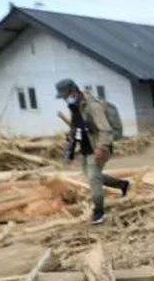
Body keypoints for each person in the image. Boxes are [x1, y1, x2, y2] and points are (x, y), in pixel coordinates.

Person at [56, 78, 130, 224]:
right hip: (85, 147)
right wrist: (71, 135)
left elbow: (105, 129)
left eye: (66, 96)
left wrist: (101, 148)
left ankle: (99, 212)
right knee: (91, 176)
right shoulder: (75, 106)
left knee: (93, 180)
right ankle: (123, 185)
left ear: (74, 91)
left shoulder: (93, 106)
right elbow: (77, 125)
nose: (65, 100)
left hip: (97, 147)